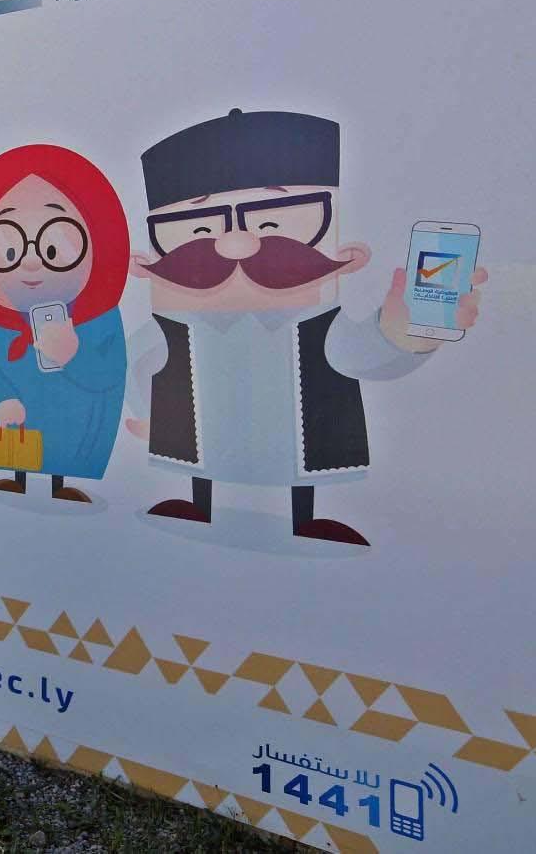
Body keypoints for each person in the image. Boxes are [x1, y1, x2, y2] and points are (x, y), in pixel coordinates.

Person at [124, 108, 487, 545]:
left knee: (301, 459)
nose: (236, 242)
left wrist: (404, 332)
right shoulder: (173, 328)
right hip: (198, 443)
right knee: (200, 456)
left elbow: (361, 356)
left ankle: (303, 518)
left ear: (347, 254)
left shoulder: (316, 325)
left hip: (300, 446)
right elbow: (136, 363)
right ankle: (200, 503)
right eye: (200, 228)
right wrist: (145, 415)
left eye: (271, 222)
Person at [0, 144, 130, 504]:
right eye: (8, 248)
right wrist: (0, 398)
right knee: (10, 444)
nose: (31, 263)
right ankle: (16, 477)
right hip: (6, 428)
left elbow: (110, 375)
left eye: (54, 247)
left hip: (77, 430)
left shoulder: (99, 317)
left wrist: (75, 356)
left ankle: (64, 482)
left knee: (69, 443)